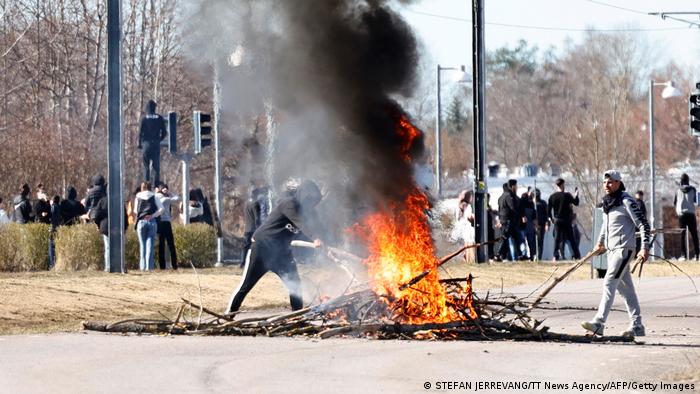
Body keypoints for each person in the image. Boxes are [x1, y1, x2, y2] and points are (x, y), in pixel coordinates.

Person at [227, 180, 324, 314]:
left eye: (314, 202)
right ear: (303, 195)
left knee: (294, 284)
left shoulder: (307, 214)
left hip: (282, 254)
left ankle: (297, 316)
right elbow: (301, 224)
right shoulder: (289, 204)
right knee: (246, 286)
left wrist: (325, 246)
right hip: (262, 248)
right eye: (310, 200)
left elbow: (313, 229)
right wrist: (315, 238)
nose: (312, 205)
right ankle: (229, 314)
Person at [582, 170, 649, 338]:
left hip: (624, 249)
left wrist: (645, 247)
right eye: (605, 182)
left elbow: (643, 225)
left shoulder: (627, 201)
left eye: (610, 182)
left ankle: (599, 323)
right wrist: (599, 243)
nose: (606, 185)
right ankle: (637, 325)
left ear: (619, 182)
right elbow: (605, 227)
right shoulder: (608, 203)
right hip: (611, 251)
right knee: (626, 290)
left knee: (609, 282)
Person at [548, 178, 581, 261]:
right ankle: (577, 256)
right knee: (571, 238)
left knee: (557, 239)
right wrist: (576, 195)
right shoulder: (567, 195)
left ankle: (555, 256)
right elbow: (576, 203)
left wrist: (550, 218)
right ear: (562, 185)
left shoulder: (552, 197)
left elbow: (548, 210)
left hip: (557, 220)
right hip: (566, 220)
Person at [134, 181, 164, 271]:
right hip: (151, 221)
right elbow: (162, 209)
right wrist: (153, 215)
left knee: (142, 245)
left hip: (141, 221)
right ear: (150, 187)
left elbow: (136, 210)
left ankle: (142, 267)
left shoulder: (138, 196)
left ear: (142, 187)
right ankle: (149, 267)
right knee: (150, 245)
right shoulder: (154, 196)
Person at [138, 99, 167, 186]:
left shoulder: (143, 118)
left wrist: (140, 144)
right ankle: (156, 185)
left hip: (146, 144)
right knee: (156, 167)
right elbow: (164, 132)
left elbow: (140, 132)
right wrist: (159, 140)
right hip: (155, 144)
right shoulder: (159, 118)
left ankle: (147, 185)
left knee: (146, 166)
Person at [241, 186, 270, 268]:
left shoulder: (247, 203)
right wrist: (259, 228)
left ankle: (242, 262)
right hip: (254, 229)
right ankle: (258, 262)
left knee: (245, 247)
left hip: (247, 228)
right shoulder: (255, 203)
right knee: (258, 246)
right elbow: (257, 217)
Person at [674, 173, 698, 260]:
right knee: (694, 235)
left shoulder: (678, 190)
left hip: (682, 215)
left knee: (682, 235)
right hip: (691, 214)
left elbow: (675, 202)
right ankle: (697, 255)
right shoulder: (693, 189)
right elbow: (696, 201)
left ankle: (683, 255)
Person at [156, 183, 180, 270]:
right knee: (171, 244)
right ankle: (174, 264)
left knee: (161, 245)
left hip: (159, 223)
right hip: (166, 223)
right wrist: (170, 193)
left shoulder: (155, 197)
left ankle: (162, 265)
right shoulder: (165, 199)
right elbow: (177, 198)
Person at [497, 180, 522, 261]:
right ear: (512, 186)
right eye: (516, 186)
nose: (517, 187)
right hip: (508, 220)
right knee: (506, 237)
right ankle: (498, 254)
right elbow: (513, 208)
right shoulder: (509, 196)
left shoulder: (501, 197)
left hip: (503, 220)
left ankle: (517, 255)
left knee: (512, 238)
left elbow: (499, 209)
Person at [454, 190, 475, 262]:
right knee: (468, 244)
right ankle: (469, 259)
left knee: (465, 246)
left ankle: (466, 259)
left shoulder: (460, 204)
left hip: (461, 229)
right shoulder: (466, 205)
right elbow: (468, 216)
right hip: (465, 228)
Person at [520, 191, 537, 260]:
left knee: (523, 241)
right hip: (530, 226)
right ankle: (532, 255)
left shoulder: (520, 205)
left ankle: (524, 254)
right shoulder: (531, 204)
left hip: (522, 226)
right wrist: (535, 226)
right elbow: (534, 217)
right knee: (531, 242)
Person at [534, 189, 550, 260]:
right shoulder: (531, 203)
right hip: (533, 226)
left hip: (541, 225)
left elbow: (547, 214)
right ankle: (533, 255)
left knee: (540, 242)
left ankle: (539, 257)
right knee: (533, 242)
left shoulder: (543, 203)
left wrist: (547, 224)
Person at [48, 195, 62, 269]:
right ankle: (56, 263)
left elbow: (51, 216)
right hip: (58, 227)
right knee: (57, 245)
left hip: (52, 227)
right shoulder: (60, 207)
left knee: (51, 246)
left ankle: (51, 264)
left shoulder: (53, 207)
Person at [634, 191, 646, 255]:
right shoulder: (640, 203)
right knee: (638, 240)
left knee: (636, 240)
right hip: (639, 225)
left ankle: (635, 254)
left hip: (634, 224)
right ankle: (636, 254)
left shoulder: (633, 203)